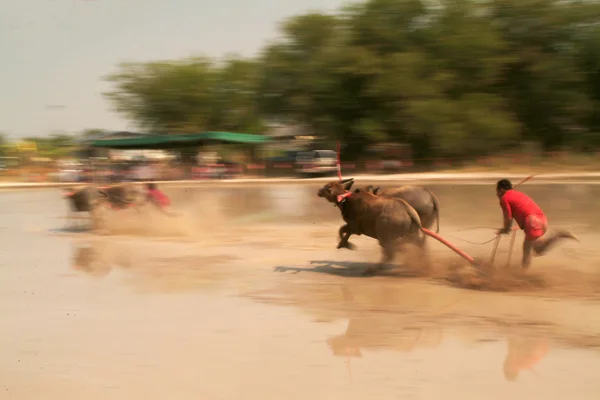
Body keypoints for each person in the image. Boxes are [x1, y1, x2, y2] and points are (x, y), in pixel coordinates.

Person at [496, 179, 578, 268]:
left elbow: (508, 217)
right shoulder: (518, 194)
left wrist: (506, 229)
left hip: (532, 222)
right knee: (538, 250)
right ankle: (558, 236)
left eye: (497, 190)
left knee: (527, 249)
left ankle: (523, 273)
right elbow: (523, 210)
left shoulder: (504, 198)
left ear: (501, 189)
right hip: (542, 221)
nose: (497, 194)